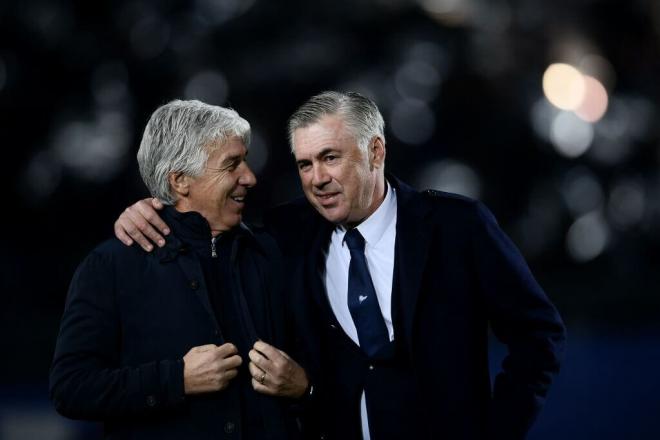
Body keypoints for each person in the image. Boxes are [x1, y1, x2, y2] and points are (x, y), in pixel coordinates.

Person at [114, 92, 567, 440]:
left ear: (375, 151)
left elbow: (538, 335)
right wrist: (148, 210)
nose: (316, 179)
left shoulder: (456, 226)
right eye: (304, 164)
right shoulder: (287, 233)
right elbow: (207, 216)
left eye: (330, 157)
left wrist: (498, 433)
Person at [50, 99, 309, 440]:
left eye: (244, 161)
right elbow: (71, 388)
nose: (250, 177)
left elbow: (327, 363)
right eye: (232, 165)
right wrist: (177, 379)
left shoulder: (274, 254)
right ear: (180, 181)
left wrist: (305, 387)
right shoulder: (111, 266)